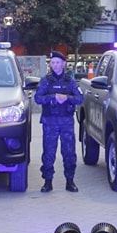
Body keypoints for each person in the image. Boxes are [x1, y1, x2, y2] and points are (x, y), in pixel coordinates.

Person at [34, 50, 84, 193]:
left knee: (69, 152)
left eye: (58, 62)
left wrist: (67, 98)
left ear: (64, 64)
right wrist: (53, 97)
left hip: (66, 122)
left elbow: (80, 98)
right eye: (53, 62)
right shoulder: (46, 81)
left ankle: (70, 181)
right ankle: (47, 181)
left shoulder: (70, 81)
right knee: (49, 152)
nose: (55, 65)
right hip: (50, 122)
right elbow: (37, 98)